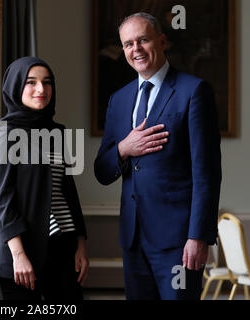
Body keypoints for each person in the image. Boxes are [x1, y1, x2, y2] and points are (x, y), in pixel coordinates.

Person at [94, 12, 222, 300]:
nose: (135, 49)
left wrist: (198, 237)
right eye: (127, 44)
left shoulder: (193, 91)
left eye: (143, 40)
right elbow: (101, 171)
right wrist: (124, 148)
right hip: (133, 239)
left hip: (179, 243)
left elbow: (207, 173)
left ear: (162, 41)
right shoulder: (119, 99)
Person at [0, 56, 89, 300]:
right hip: (21, 249)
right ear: (16, 86)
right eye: (31, 82)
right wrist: (19, 255)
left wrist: (80, 242)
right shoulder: (4, 134)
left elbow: (67, 190)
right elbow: (3, 200)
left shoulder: (56, 131)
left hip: (62, 244)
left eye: (47, 82)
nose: (41, 89)